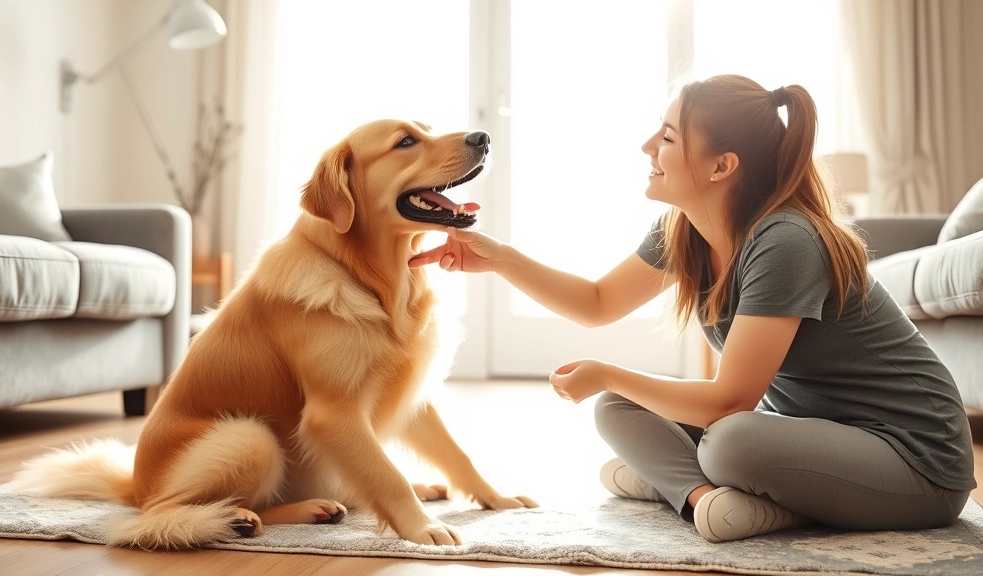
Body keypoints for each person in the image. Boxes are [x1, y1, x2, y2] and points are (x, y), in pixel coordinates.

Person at [408, 74, 976, 543]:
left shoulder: (786, 241)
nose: (648, 148)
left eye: (668, 138)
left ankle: (696, 484)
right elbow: (598, 302)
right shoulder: (685, 231)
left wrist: (608, 369)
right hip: (818, 436)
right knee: (617, 407)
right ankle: (705, 500)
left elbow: (731, 401)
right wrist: (499, 258)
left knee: (731, 441)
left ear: (721, 166)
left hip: (917, 462)